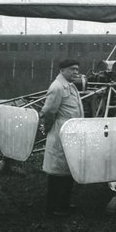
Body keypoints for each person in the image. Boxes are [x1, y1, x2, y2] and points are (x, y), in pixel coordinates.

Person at [40, 58, 84, 217]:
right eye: (72, 69)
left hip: (71, 132)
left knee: (69, 169)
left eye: (77, 69)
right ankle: (52, 208)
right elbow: (50, 112)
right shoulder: (57, 87)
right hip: (60, 133)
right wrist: (51, 133)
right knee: (57, 172)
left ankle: (64, 204)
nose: (76, 72)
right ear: (62, 70)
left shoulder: (70, 86)